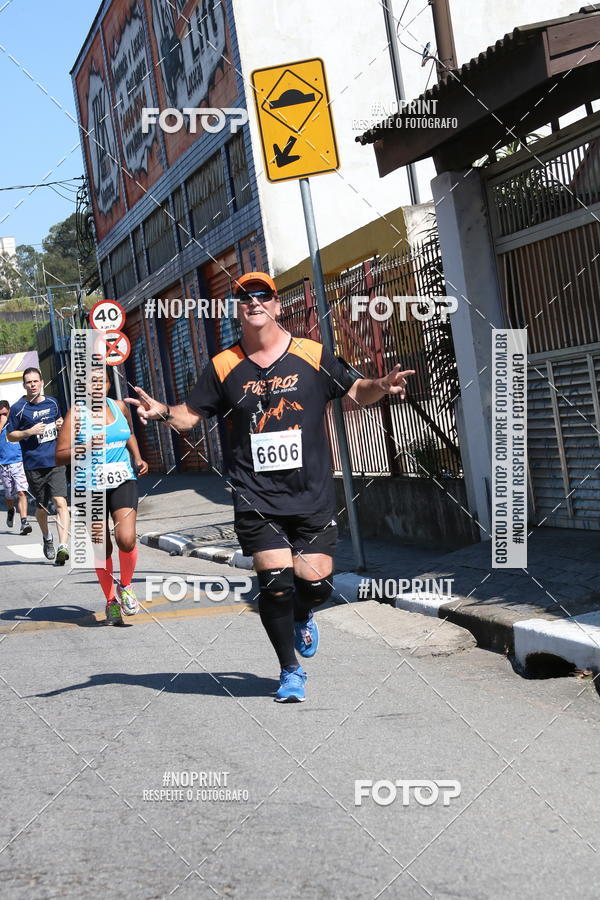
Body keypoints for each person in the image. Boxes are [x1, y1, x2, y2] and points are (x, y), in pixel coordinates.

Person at [127, 271, 414, 702]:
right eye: (244, 296)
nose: (254, 301)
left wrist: (382, 385)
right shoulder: (224, 365)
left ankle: (303, 616)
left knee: (315, 584)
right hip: (255, 494)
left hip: (311, 491)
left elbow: (356, 390)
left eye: (263, 295)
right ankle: (289, 671)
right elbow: (190, 414)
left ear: (278, 305)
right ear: (237, 308)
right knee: (275, 586)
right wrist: (163, 411)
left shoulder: (311, 353)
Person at [55, 368, 148, 625]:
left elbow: (128, 432)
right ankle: (110, 602)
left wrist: (137, 458)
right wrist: (85, 447)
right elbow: (59, 455)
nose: (97, 387)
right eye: (91, 383)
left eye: (102, 381)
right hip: (89, 486)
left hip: (122, 479)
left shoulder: (119, 406)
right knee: (101, 546)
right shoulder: (75, 415)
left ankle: (126, 586)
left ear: (108, 383)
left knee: (126, 539)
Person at [7, 368, 70, 563]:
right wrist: (29, 432)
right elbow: (10, 435)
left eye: (35, 381)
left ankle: (63, 546)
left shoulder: (52, 402)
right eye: (29, 382)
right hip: (34, 464)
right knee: (42, 507)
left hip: (55, 461)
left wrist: (60, 424)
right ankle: (47, 537)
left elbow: (60, 422)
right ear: (24, 385)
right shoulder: (19, 408)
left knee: (60, 502)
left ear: (42, 382)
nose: (33, 385)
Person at [0, 399, 31, 535]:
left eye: (5, 414)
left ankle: (24, 522)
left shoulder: (15, 424)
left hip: (18, 462)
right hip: (3, 464)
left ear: (9, 412)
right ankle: (11, 509)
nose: (2, 417)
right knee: (9, 495)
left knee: (21, 492)